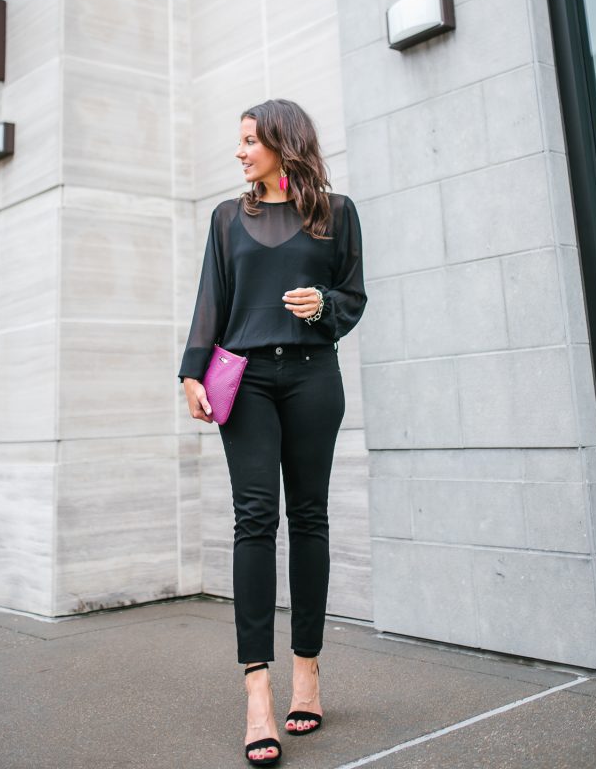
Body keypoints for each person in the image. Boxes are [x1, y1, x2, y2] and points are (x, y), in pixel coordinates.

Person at [178, 98, 367, 765]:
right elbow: (212, 299)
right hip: (248, 382)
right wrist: (191, 371)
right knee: (254, 519)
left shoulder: (335, 214)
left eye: (251, 141)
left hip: (316, 378)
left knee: (309, 518)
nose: (240, 152)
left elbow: (354, 297)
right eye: (239, 142)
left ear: (286, 145)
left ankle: (307, 669)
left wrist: (325, 307)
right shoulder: (229, 217)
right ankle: (257, 688)